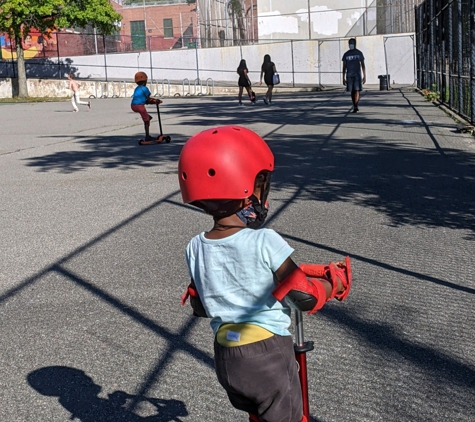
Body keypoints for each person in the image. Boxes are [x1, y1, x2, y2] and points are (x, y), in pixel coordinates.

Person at [179, 125, 352, 422]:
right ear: (245, 185)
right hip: (267, 354)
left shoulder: (195, 247)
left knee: (258, 412)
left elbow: (200, 303)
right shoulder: (264, 240)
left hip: (226, 356)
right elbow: (303, 296)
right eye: (261, 182)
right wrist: (332, 284)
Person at [131, 71, 162, 141]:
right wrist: (155, 101)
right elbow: (148, 99)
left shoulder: (136, 88)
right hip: (139, 106)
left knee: (148, 117)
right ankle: (147, 136)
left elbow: (141, 99)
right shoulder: (145, 89)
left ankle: (147, 118)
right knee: (147, 120)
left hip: (133, 106)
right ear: (145, 81)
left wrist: (149, 102)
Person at [342, 38, 366, 113]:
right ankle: (354, 104)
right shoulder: (346, 54)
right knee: (352, 91)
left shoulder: (359, 53)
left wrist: (364, 75)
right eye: (350, 43)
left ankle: (356, 105)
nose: (351, 44)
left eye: (352, 43)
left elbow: (363, 65)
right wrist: (343, 77)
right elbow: (344, 66)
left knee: (357, 90)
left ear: (355, 44)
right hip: (349, 75)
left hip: (357, 75)